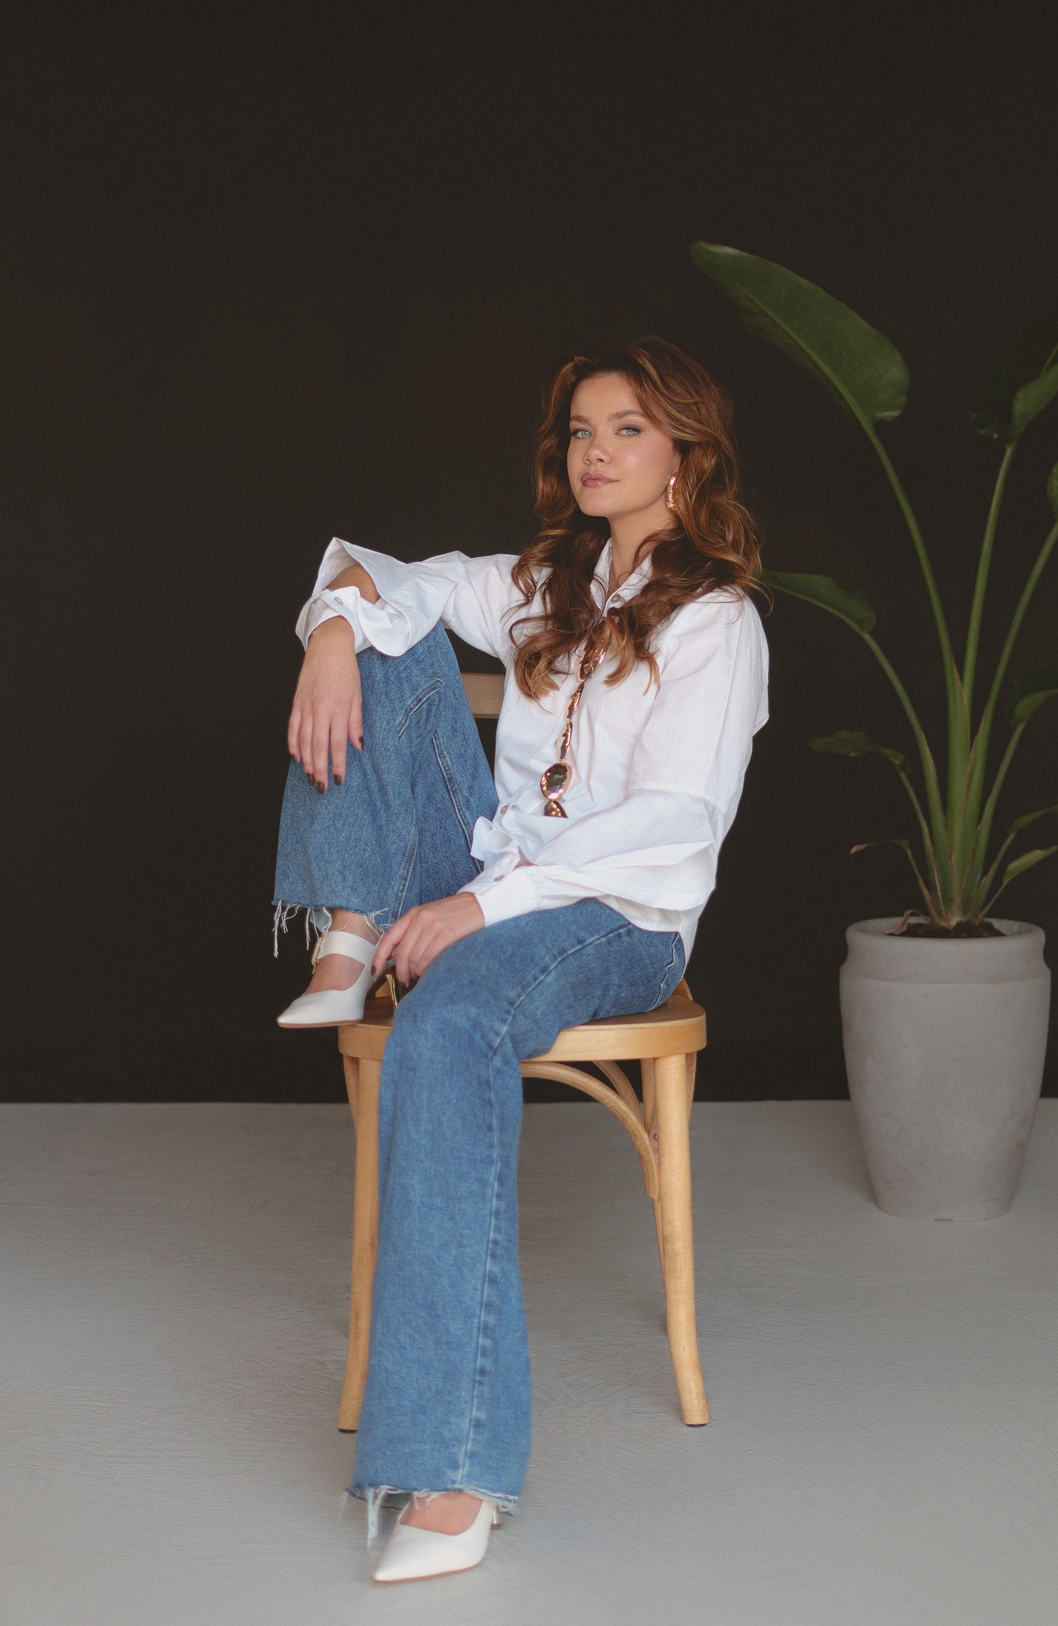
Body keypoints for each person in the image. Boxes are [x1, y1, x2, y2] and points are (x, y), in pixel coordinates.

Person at [274, 336, 769, 1582]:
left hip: (616, 918)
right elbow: (385, 573)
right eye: (581, 431)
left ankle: (453, 1474)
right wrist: (330, 634)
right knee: (380, 630)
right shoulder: (547, 583)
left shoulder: (717, 620)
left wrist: (483, 908)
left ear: (685, 454)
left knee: (448, 1024)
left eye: (628, 430)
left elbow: (674, 822)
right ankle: (351, 925)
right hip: (490, 878)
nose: (596, 453)